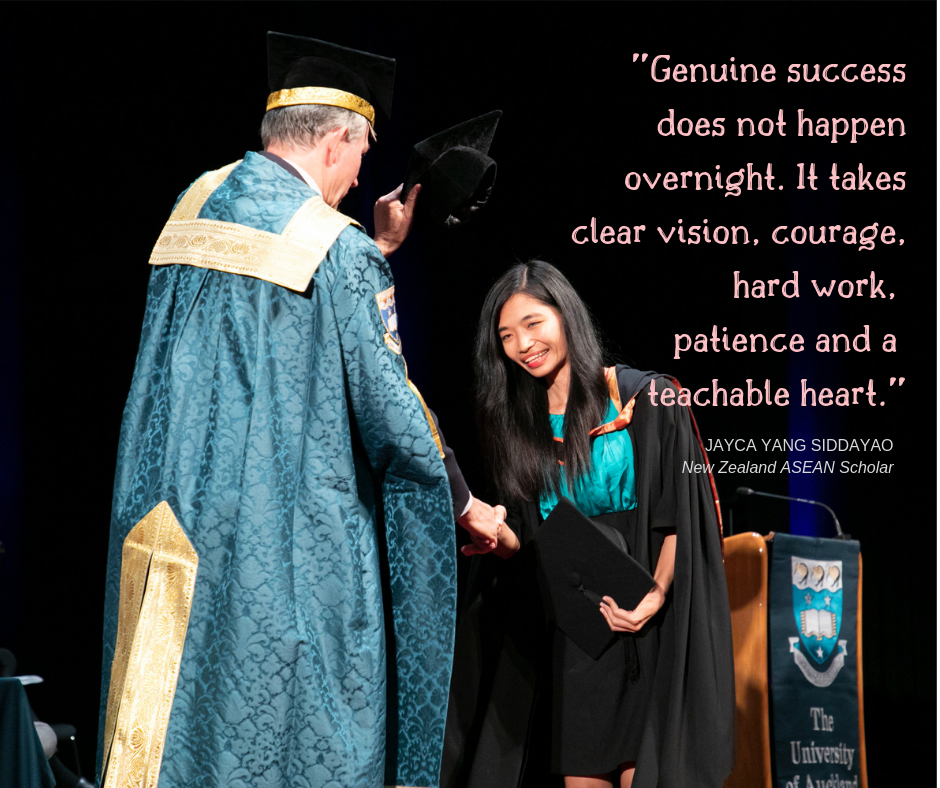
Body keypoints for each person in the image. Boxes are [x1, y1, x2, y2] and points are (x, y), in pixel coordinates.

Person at [96, 33, 501, 788]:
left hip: (166, 518)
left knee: (169, 717)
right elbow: (388, 405)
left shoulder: (193, 204)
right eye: (361, 153)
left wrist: (373, 249)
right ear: (338, 139)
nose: (359, 175)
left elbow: (269, 332)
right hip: (273, 533)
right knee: (276, 725)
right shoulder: (338, 248)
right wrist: (464, 502)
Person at [441, 260, 735, 788]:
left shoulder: (645, 398)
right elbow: (530, 542)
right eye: (506, 336)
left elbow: (680, 517)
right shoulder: (519, 427)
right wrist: (499, 536)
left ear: (565, 315)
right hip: (579, 640)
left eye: (533, 323)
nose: (523, 345)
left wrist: (655, 594)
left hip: (650, 625)